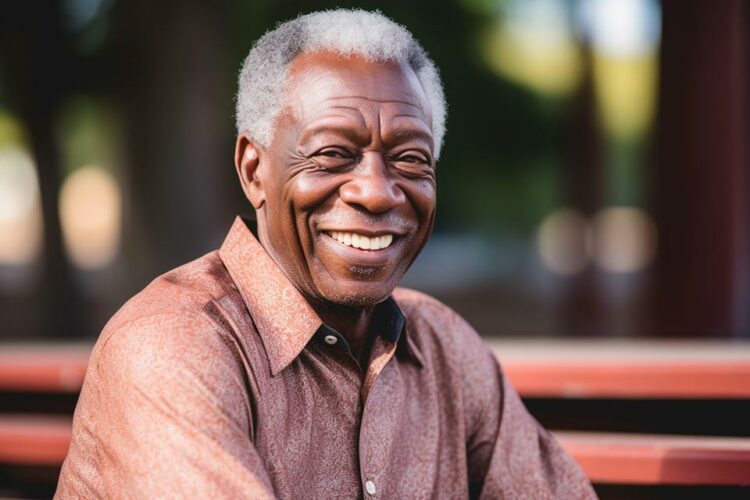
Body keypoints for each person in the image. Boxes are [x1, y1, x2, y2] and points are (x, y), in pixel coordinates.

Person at [56, 9, 595, 499]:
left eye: (410, 159)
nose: (378, 191)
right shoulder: (172, 346)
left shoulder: (446, 349)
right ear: (253, 170)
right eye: (333, 154)